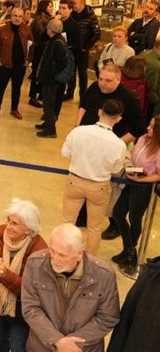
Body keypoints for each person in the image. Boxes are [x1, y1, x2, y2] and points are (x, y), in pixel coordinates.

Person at [21, 223, 120, 352]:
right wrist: (56, 341)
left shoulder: (104, 275)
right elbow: (30, 308)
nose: (54, 259)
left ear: (79, 254)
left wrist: (71, 345)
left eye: (62, 255)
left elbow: (107, 318)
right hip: (42, 347)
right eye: (52, 251)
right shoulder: (35, 264)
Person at [0, 201, 48, 352]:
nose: (8, 226)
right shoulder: (0, 232)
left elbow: (31, 290)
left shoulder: (39, 251)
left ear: (28, 229)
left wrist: (6, 275)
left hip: (22, 310)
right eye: (8, 220)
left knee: (18, 347)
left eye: (14, 223)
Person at [61, 99, 130, 254]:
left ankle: (63, 253)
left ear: (100, 112)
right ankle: (89, 259)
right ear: (118, 118)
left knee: (67, 222)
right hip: (99, 186)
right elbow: (116, 168)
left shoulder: (79, 131)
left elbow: (65, 152)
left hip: (75, 181)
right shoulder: (119, 144)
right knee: (94, 227)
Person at [112, 114, 160, 274]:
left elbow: (159, 175)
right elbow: (133, 154)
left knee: (134, 218)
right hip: (131, 182)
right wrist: (130, 168)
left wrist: (142, 179)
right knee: (118, 213)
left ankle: (130, 253)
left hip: (144, 188)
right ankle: (129, 250)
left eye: (152, 126)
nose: (148, 128)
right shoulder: (142, 139)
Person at [77, 64, 145, 143]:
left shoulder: (129, 98)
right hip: (85, 136)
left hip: (107, 142)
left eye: (108, 81)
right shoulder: (94, 86)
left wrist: (117, 144)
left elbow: (138, 129)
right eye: (100, 79)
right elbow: (83, 107)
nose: (102, 83)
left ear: (118, 80)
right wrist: (78, 127)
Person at [0, 7, 31, 120]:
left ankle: (14, 109)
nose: (17, 19)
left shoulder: (27, 30)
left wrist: (28, 59)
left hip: (20, 66)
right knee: (0, 88)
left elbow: (32, 45)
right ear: (11, 16)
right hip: (5, 65)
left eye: (20, 16)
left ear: (22, 17)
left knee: (16, 89)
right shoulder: (2, 30)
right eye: (15, 16)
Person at [36, 19, 70, 138]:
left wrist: (50, 73)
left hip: (51, 79)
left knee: (49, 104)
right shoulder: (56, 39)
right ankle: (47, 123)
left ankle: (51, 130)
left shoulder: (57, 43)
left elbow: (62, 62)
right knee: (48, 103)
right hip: (51, 78)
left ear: (50, 29)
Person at [71, 0, 100, 101]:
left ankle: (83, 96)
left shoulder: (91, 16)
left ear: (82, 3)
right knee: (71, 72)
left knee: (82, 74)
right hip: (72, 48)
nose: (73, 5)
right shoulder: (72, 14)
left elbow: (97, 34)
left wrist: (86, 47)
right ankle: (69, 92)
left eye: (75, 3)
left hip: (83, 50)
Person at [28, 0, 54, 108]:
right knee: (36, 73)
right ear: (44, 7)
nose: (52, 9)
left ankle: (39, 94)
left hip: (42, 49)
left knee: (40, 73)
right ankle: (33, 96)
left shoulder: (46, 19)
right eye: (50, 6)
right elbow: (42, 37)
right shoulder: (39, 20)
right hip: (39, 50)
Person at [58, 0, 83, 101]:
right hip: (57, 54)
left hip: (69, 55)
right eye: (60, 8)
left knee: (70, 75)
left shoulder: (75, 25)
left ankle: (69, 93)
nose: (60, 10)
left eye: (64, 8)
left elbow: (78, 44)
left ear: (70, 10)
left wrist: (67, 46)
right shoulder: (56, 22)